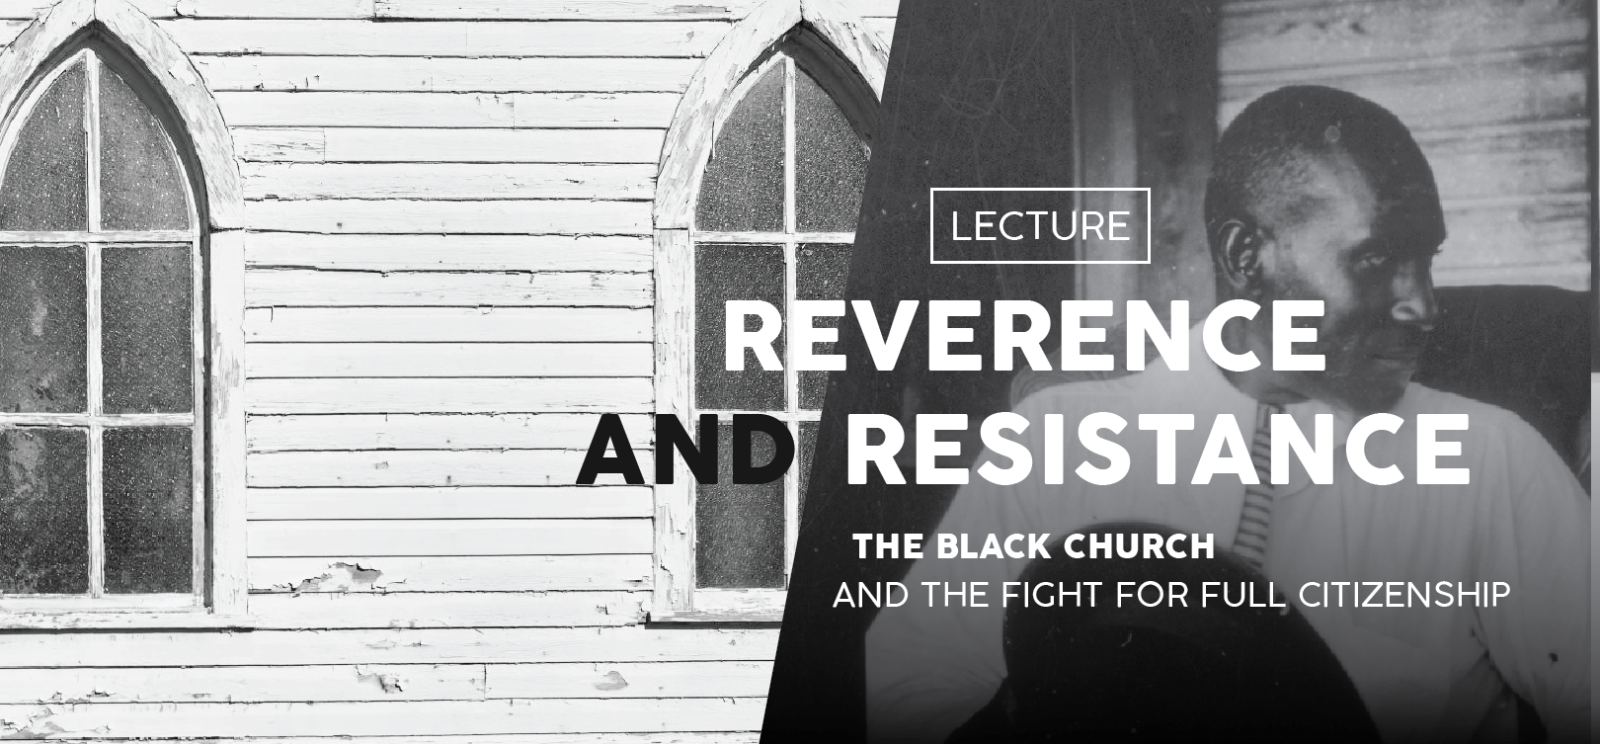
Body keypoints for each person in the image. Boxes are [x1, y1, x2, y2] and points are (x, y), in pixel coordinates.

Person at [865, 86, 1591, 743]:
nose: (1423, 306)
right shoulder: (1059, 439)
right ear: (1246, 255)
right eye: (1376, 261)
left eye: (1426, 259)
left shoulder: (1490, 460)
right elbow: (904, 692)